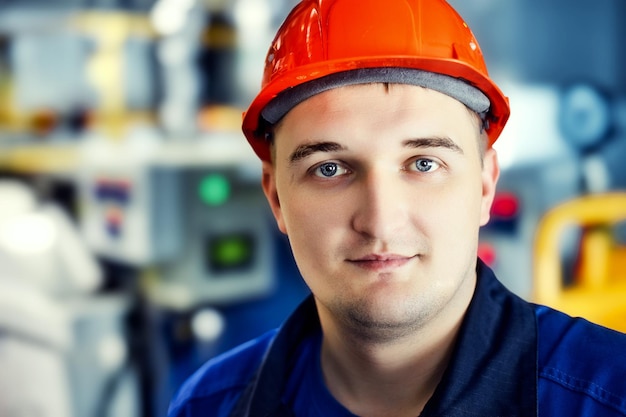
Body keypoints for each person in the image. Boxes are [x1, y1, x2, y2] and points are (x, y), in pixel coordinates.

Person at [168, 0, 626, 416]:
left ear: (485, 185)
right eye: (329, 169)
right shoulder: (209, 405)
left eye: (423, 163)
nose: (381, 221)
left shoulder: (608, 396)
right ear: (276, 199)